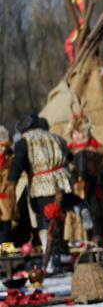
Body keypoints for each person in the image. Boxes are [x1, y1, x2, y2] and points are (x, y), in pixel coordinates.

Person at [8, 114, 74, 273]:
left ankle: (49, 262)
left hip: (42, 185)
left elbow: (18, 163)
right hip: (62, 184)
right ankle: (54, 261)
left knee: (46, 225)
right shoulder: (56, 138)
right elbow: (69, 157)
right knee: (57, 222)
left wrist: (12, 183)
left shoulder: (25, 141)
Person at [67, 114, 103, 242]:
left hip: (95, 189)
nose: (79, 136)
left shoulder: (99, 149)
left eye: (82, 133)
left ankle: (97, 240)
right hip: (74, 191)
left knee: (96, 213)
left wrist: (97, 172)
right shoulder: (68, 151)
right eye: (76, 133)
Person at [0, 126, 15, 243]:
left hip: (6, 196)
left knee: (6, 224)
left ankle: (6, 249)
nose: (3, 149)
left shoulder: (10, 158)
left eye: (5, 146)